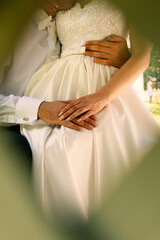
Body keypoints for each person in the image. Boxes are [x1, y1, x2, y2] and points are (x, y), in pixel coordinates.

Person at [21, 0, 160, 220]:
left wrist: (101, 97)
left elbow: (142, 57)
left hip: (107, 87)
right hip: (56, 87)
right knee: (57, 153)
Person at [0, 0, 130, 177]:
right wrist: (39, 110)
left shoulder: (62, 23)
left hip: (77, 105)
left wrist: (126, 57)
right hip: (11, 126)